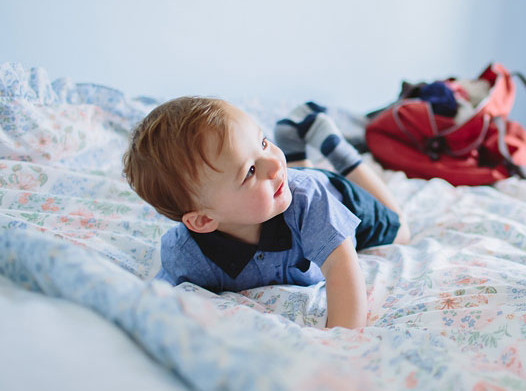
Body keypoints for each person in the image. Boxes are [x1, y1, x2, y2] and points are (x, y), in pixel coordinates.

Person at [123, 97, 409, 329]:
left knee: (401, 231)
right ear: (204, 220)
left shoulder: (309, 201)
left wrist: (340, 342)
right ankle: (297, 150)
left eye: (263, 142)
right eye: (249, 171)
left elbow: (341, 268)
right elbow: (152, 304)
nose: (272, 163)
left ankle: (338, 151)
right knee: (289, 176)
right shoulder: (187, 255)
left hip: (335, 194)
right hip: (285, 189)